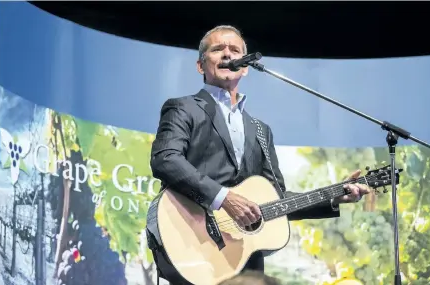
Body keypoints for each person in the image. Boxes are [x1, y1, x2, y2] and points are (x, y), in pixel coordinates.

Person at [148, 25, 370, 284]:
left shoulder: (261, 130)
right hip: (192, 244)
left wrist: (334, 196)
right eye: (218, 49)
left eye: (235, 50)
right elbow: (166, 159)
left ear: (245, 67)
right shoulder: (183, 108)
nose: (227, 55)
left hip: (244, 262)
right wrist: (224, 199)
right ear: (200, 66)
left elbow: (277, 200)